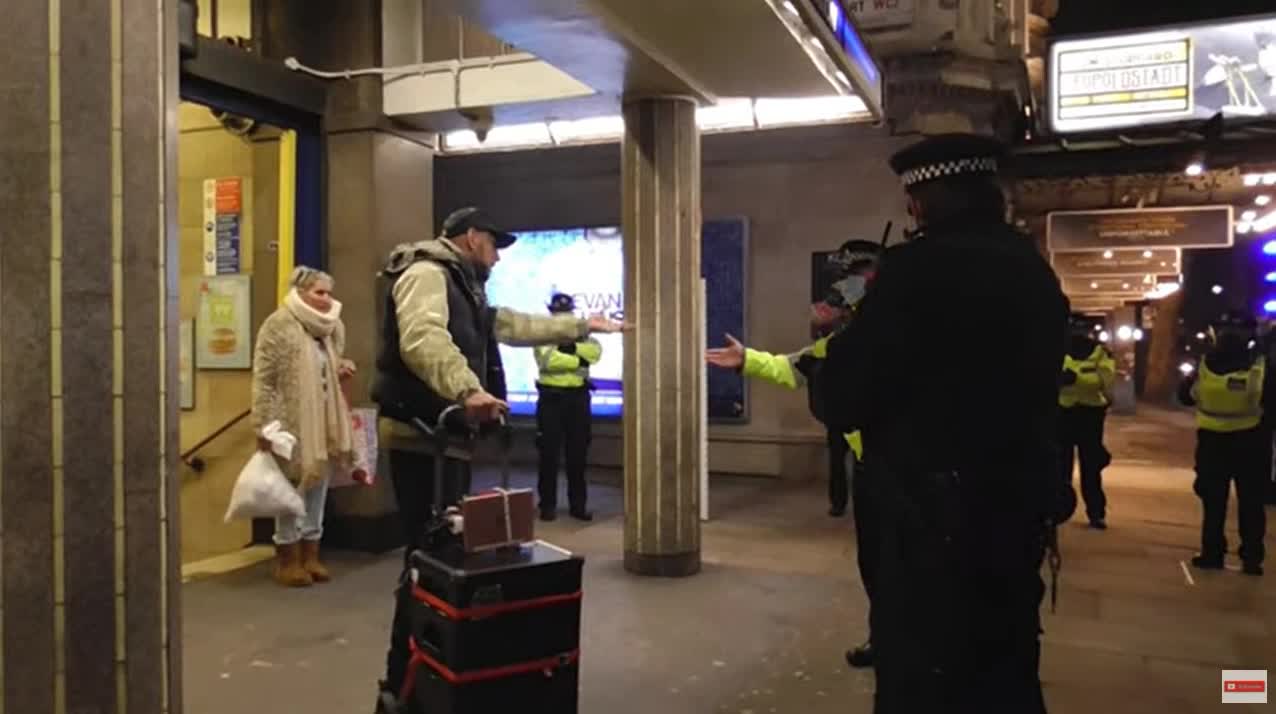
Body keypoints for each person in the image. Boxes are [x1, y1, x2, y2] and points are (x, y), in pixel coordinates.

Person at [821, 134, 1069, 713]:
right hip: (1015, 506)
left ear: (923, 201)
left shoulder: (914, 273)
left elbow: (847, 396)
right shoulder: (1032, 271)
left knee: (925, 671)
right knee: (1006, 660)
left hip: (931, 514)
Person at [372, 207, 625, 704]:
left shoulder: (464, 284)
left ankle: (430, 670)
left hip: (447, 442)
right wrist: (468, 389)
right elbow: (423, 339)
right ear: (471, 238)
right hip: (423, 439)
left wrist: (581, 325)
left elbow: (511, 324)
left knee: (441, 552)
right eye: (494, 245)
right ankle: (402, 676)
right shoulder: (426, 273)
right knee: (427, 556)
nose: (499, 257)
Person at [706, 238, 882, 668]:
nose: (841, 293)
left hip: (914, 465)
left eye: (852, 280)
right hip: (873, 466)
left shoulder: (898, 331)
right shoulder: (844, 339)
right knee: (879, 562)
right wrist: (748, 359)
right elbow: (796, 367)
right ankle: (888, 638)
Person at [251, 266, 356, 587]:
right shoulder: (279, 324)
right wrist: (262, 424)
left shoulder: (332, 327)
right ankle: (287, 559)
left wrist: (341, 367)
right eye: (318, 292)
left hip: (323, 418)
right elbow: (264, 377)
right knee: (289, 489)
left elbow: (329, 365)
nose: (326, 299)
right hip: (289, 420)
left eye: (328, 292)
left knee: (317, 486)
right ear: (300, 292)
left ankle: (311, 554)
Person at [1178, 309, 1273, 576]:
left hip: (1213, 441)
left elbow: (1185, 396)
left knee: (1214, 501)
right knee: (1251, 502)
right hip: (1251, 440)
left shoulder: (1205, 362)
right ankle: (1252, 558)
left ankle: (1212, 553)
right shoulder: (1261, 363)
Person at [534, 293, 603, 522]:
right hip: (551, 399)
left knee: (578, 455)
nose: (562, 316)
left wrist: (570, 350)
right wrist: (579, 360)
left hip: (578, 399)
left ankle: (578, 506)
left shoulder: (580, 331)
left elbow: (595, 353)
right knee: (548, 454)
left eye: (566, 312)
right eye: (558, 312)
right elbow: (548, 361)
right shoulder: (542, 332)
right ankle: (547, 506)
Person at [1058, 313, 1115, 529]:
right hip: (1064, 414)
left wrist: (1076, 380)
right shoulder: (1057, 349)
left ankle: (1096, 512)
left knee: (1090, 468)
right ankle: (1058, 510)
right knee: (1061, 468)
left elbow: (1105, 383)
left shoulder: (1100, 353)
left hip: (1089, 415)